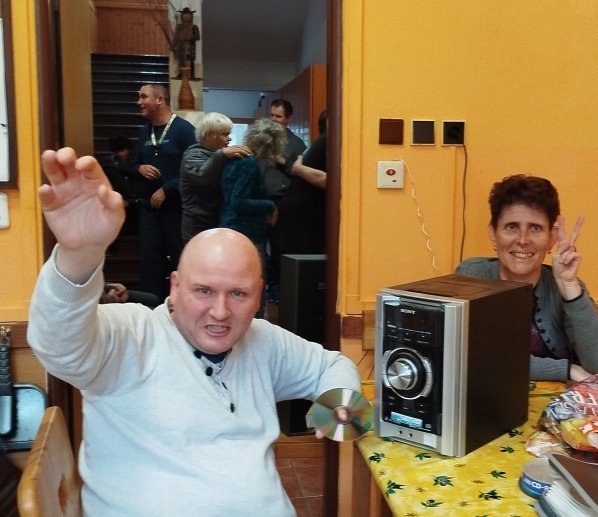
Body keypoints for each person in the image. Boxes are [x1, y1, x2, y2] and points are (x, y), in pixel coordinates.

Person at [27, 147, 361, 516]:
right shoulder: (131, 335)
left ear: (259, 295)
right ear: (174, 286)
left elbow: (331, 364)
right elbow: (58, 347)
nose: (220, 312)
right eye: (203, 291)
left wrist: (339, 402)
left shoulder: (263, 339)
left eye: (238, 294)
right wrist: (79, 256)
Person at [455, 174, 598, 382]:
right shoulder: (473, 276)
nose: (523, 240)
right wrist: (566, 370)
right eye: (512, 227)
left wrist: (570, 289)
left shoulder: (566, 286)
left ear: (551, 238)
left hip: (559, 402)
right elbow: (475, 356)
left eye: (535, 228)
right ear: (493, 233)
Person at [134, 83, 196, 300]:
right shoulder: (144, 132)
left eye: (143, 97)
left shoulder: (185, 130)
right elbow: (133, 164)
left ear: (159, 100)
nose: (139, 102)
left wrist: (167, 189)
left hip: (176, 209)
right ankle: (152, 309)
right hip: (149, 210)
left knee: (180, 260)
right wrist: (139, 168)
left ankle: (182, 306)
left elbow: (194, 170)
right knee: (150, 262)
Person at [220, 118, 286, 317]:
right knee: (254, 287)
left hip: (230, 228)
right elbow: (238, 202)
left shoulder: (236, 158)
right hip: (247, 232)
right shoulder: (249, 163)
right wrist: (270, 206)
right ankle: (255, 328)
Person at [179, 112, 252, 244]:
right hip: (197, 226)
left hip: (217, 222)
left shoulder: (220, 156)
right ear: (209, 135)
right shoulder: (192, 156)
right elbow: (203, 176)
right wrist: (222, 154)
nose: (229, 139)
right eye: (225, 134)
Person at [260, 98, 307, 303]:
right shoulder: (261, 139)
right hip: (258, 202)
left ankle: (277, 288)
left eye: (278, 116)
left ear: (288, 119)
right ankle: (261, 287)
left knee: (279, 247)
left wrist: (282, 160)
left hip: (283, 204)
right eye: (271, 115)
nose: (273, 120)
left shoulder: (297, 144)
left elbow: (300, 173)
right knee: (258, 248)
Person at [277, 109, 328, 254]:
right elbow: (331, 181)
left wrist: (297, 168)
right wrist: (297, 168)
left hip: (297, 214)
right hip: (303, 218)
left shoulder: (320, 142)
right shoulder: (327, 142)